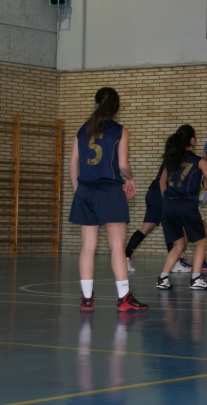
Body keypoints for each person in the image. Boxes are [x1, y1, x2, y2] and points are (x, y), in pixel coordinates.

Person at [68, 87, 148, 312]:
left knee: (88, 246)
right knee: (117, 247)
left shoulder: (82, 130)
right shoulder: (120, 131)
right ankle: (123, 298)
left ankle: (86, 299)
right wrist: (130, 178)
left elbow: (72, 164)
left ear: (96, 105)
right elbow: (122, 165)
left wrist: (78, 191)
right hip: (110, 190)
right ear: (116, 109)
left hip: (86, 190)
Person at [155, 125, 207, 291]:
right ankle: (196, 279)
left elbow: (161, 181)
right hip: (186, 205)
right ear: (192, 140)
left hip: (168, 206)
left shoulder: (171, 158)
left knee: (178, 245)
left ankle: (163, 278)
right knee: (201, 243)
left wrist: (166, 199)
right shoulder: (199, 161)